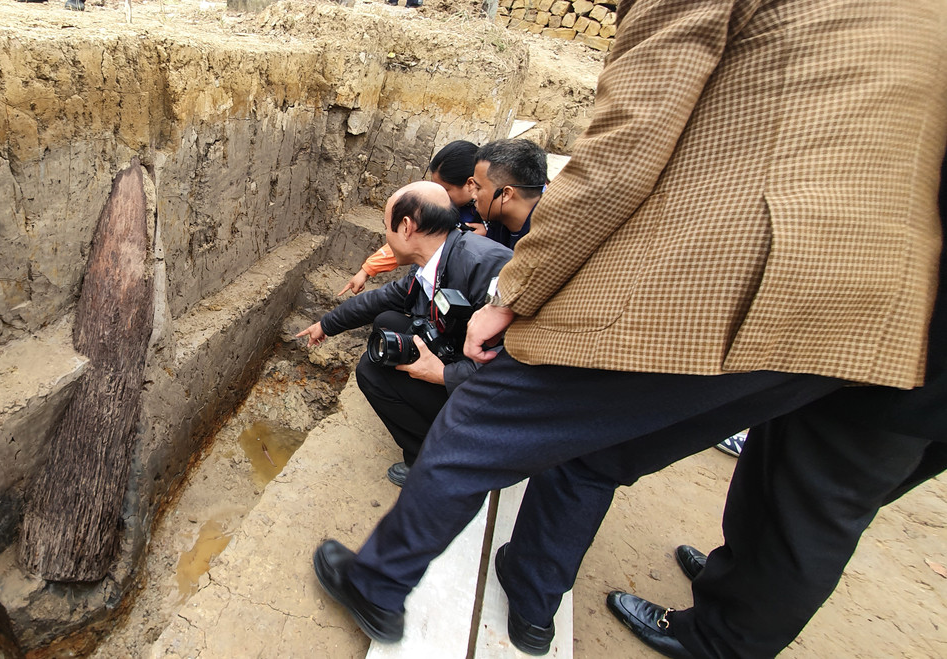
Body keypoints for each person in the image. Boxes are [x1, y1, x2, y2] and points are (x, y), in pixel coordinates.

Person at [311, 0, 946, 652]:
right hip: (876, 312)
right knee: (596, 451)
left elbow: (625, 144)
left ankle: (377, 582)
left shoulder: (491, 244)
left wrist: (513, 294)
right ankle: (531, 607)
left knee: (479, 418)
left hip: (737, 270)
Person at [604, 155, 947, 659]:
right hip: (884, 352)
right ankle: (736, 582)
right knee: (776, 478)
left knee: (812, 515)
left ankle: (720, 642)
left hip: (901, 368)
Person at [298, 181, 512, 486]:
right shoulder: (440, 258)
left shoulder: (485, 268)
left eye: (387, 226)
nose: (386, 235)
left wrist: (442, 374)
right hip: (460, 359)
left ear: (407, 227)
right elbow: (382, 299)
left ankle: (431, 461)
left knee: (370, 372)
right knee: (388, 320)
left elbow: (515, 365)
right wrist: (326, 325)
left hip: (493, 406)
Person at [340, 140, 484, 296]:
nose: (439, 193)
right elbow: (406, 238)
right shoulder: (447, 206)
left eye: (446, 189)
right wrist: (367, 270)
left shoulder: (492, 221)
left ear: (470, 183)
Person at [466, 138, 548, 249]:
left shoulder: (544, 242)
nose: (473, 195)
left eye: (478, 188)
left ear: (506, 194)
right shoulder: (499, 221)